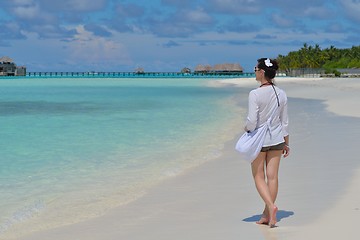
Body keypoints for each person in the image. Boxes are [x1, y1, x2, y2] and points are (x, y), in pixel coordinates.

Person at [244, 58, 290, 228]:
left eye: (256, 68)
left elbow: (251, 120)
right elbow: (284, 121)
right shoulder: (281, 93)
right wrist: (286, 143)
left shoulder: (255, 94)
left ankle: (270, 207)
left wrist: (246, 128)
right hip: (277, 139)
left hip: (260, 141)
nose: (254, 71)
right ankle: (267, 215)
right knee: (273, 177)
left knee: (258, 176)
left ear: (262, 72)